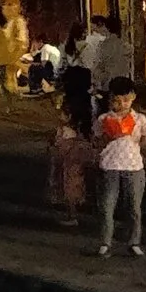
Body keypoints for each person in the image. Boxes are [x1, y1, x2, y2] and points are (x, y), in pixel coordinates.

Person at [93, 77, 146, 257]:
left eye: (126, 100)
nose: (122, 104)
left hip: (134, 167)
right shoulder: (104, 119)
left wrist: (136, 136)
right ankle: (105, 242)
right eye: (117, 101)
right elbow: (96, 142)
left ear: (133, 97)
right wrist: (109, 135)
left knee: (134, 208)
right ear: (111, 99)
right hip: (109, 166)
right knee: (107, 207)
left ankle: (134, 242)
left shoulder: (140, 119)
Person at [47, 66, 96, 226]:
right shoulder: (86, 102)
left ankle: (72, 214)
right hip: (79, 144)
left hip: (68, 145)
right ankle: (76, 207)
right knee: (75, 178)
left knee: (68, 179)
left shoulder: (69, 104)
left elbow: (63, 120)